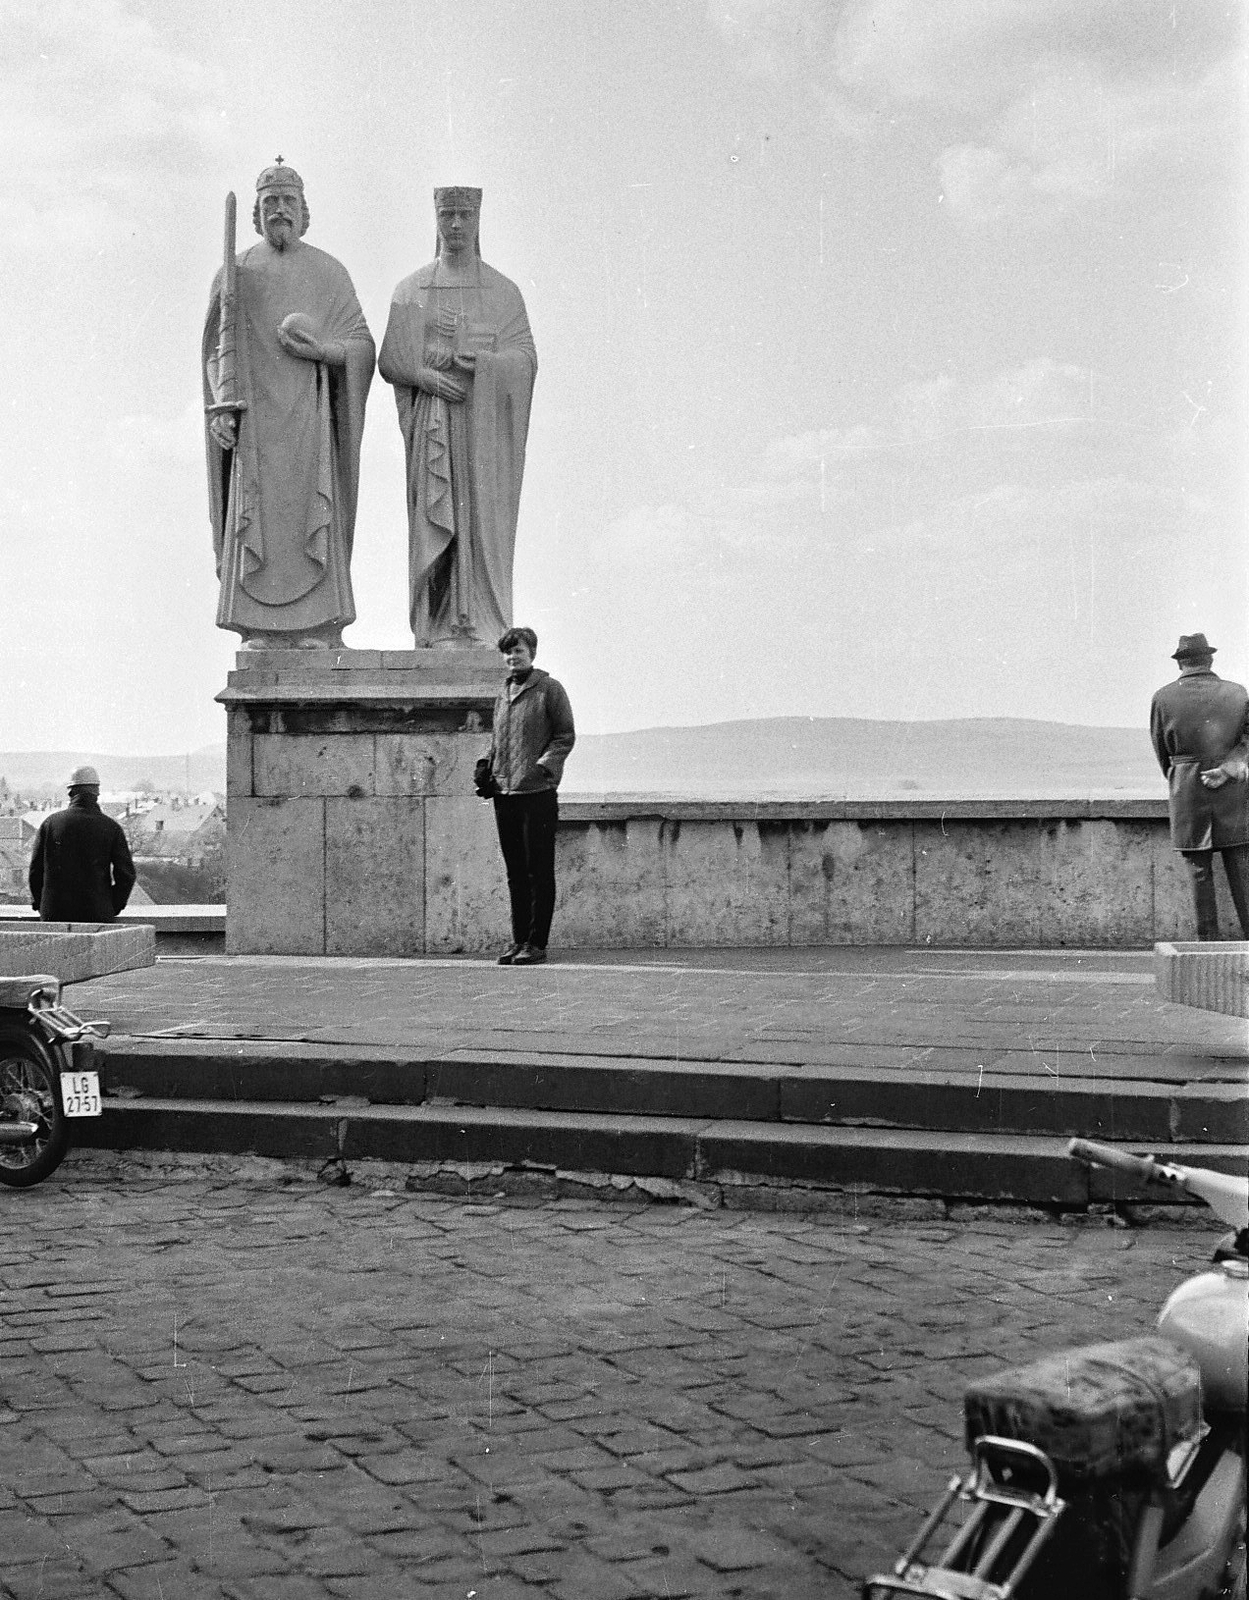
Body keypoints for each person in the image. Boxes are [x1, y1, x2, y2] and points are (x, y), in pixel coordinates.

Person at [203, 161, 375, 648]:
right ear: (255, 215)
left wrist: (324, 351)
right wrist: (221, 407)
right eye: (270, 203)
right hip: (255, 425)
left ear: (304, 213)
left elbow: (361, 345)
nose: (280, 210)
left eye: (289, 202)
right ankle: (259, 626)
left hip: (309, 423)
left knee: (310, 514)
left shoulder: (328, 272)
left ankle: (318, 626)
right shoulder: (235, 273)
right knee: (255, 515)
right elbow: (218, 349)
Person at [378, 188, 537, 646]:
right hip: (434, 423)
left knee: (477, 520)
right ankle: (440, 623)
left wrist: (484, 365)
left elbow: (525, 358)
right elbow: (390, 360)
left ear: (477, 220)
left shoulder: (504, 292)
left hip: (483, 432)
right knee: (438, 516)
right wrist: (426, 377)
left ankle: (479, 622)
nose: (455, 224)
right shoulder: (412, 289)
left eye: (464, 215)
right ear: (436, 219)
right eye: (447, 214)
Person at [475, 628, 575, 965]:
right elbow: (498, 739)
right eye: (507, 652)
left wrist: (543, 769)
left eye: (518, 651)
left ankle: (537, 943)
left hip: (536, 793)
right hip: (505, 793)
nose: (512, 658)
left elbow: (564, 736)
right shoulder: (503, 692)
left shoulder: (550, 689)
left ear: (531, 652)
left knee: (539, 870)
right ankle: (519, 941)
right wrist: (486, 765)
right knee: (515, 871)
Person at [1150, 632, 1249, 940]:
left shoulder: (1162, 697)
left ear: (1181, 663)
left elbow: (1162, 750)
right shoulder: (1237, 693)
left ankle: (1207, 945)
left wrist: (1182, 777)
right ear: (1209, 659)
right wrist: (1229, 769)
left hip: (1187, 789)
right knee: (1242, 869)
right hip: (1233, 790)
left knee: (1199, 872)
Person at [29, 767, 136, 923]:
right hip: (97, 915)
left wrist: (42, 904)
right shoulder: (111, 827)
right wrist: (110, 906)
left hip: (54, 914)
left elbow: (35, 872)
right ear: (97, 792)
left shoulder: (50, 824)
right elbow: (126, 875)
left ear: (70, 792)